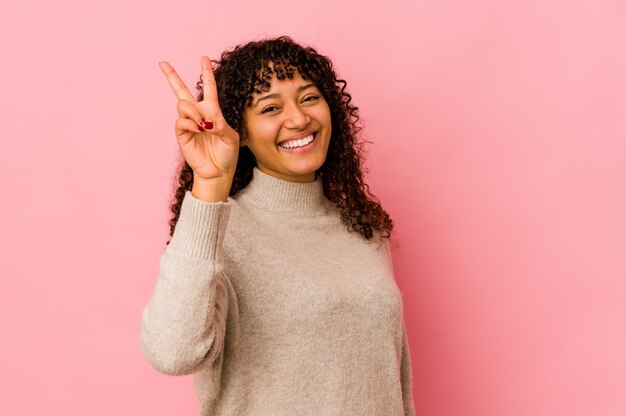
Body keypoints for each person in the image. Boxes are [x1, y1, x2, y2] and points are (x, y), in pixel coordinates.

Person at [140, 36, 415, 416]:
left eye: (308, 97)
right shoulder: (220, 231)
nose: (299, 119)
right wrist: (208, 187)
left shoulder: (365, 230)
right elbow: (173, 353)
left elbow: (393, 384)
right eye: (270, 107)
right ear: (242, 132)